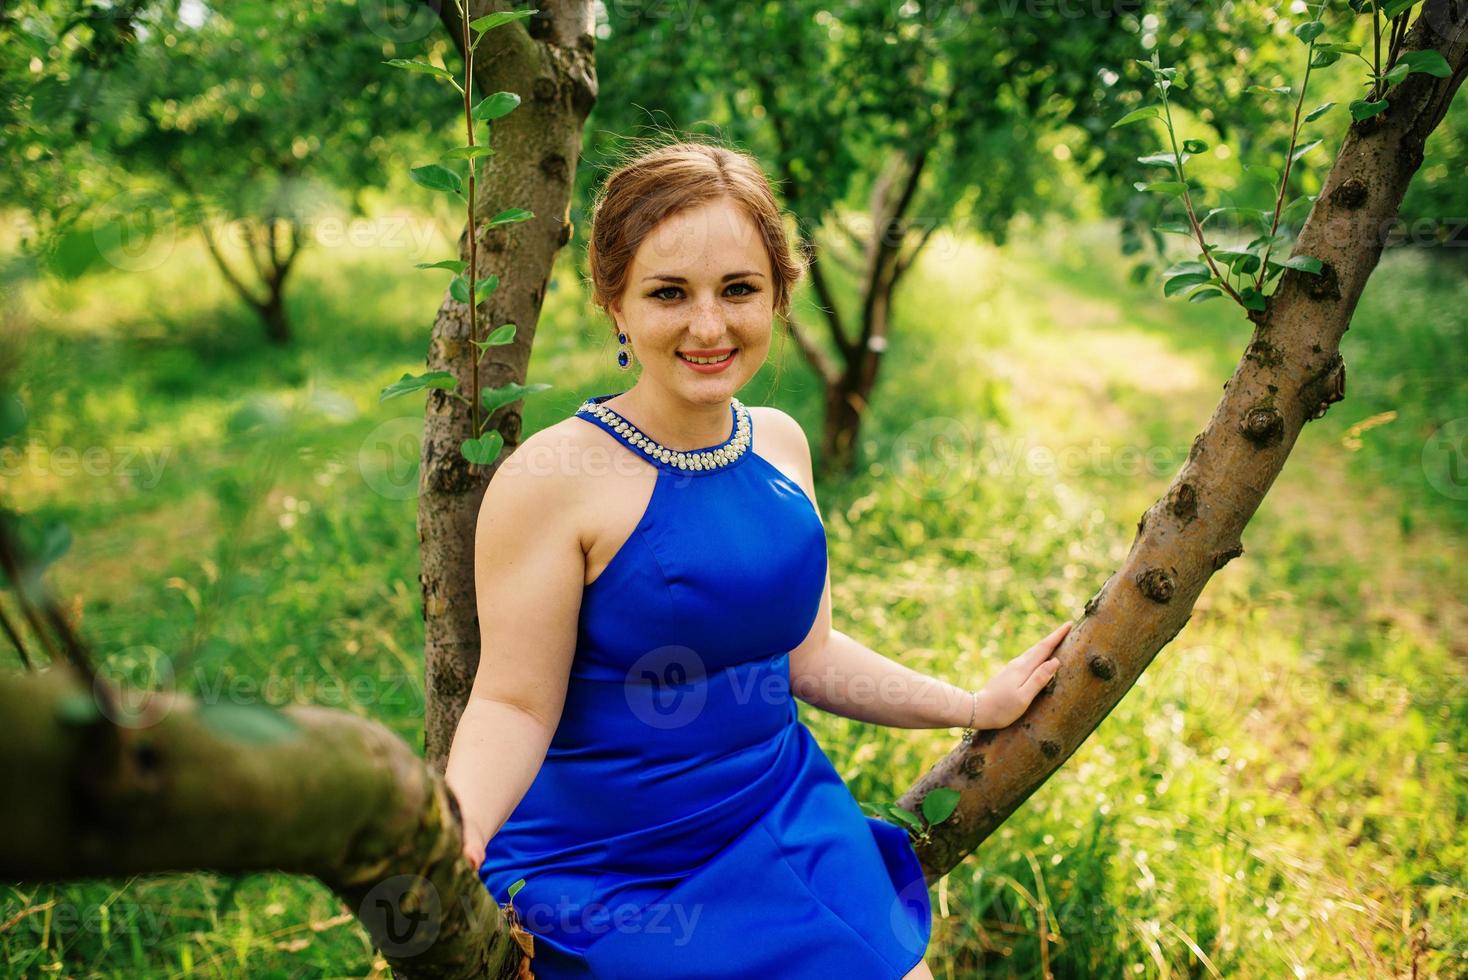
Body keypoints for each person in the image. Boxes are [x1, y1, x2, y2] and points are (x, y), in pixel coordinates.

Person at [444, 139, 1070, 979]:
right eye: (669, 293)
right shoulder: (553, 481)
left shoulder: (779, 445)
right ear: (615, 304)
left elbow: (808, 655)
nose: (710, 326)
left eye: (739, 289)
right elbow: (514, 705)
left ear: (778, 295)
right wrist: (455, 833)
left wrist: (968, 703)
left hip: (781, 821)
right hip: (610, 870)